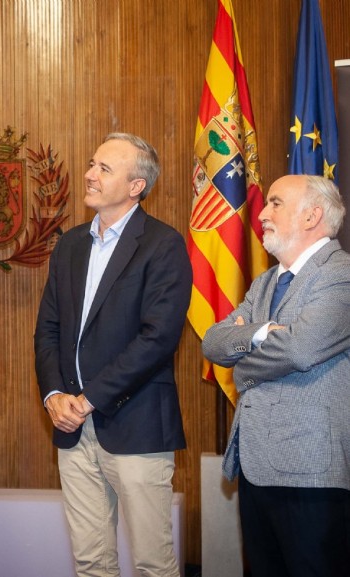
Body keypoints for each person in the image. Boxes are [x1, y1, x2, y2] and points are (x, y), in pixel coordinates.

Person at [34, 133, 191, 577]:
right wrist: (53, 397)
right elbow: (48, 330)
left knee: (152, 564)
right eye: (91, 164)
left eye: (104, 168)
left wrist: (88, 399)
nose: (89, 174)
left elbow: (157, 339)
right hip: (71, 427)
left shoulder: (163, 244)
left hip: (137, 427)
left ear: (136, 185)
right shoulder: (69, 245)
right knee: (90, 562)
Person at [202, 174, 350, 576]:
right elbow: (214, 342)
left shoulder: (340, 274)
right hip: (256, 467)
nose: (262, 214)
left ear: (312, 216)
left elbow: (301, 349)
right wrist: (263, 333)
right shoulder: (266, 281)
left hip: (311, 473)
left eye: (275, 203)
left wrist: (244, 356)